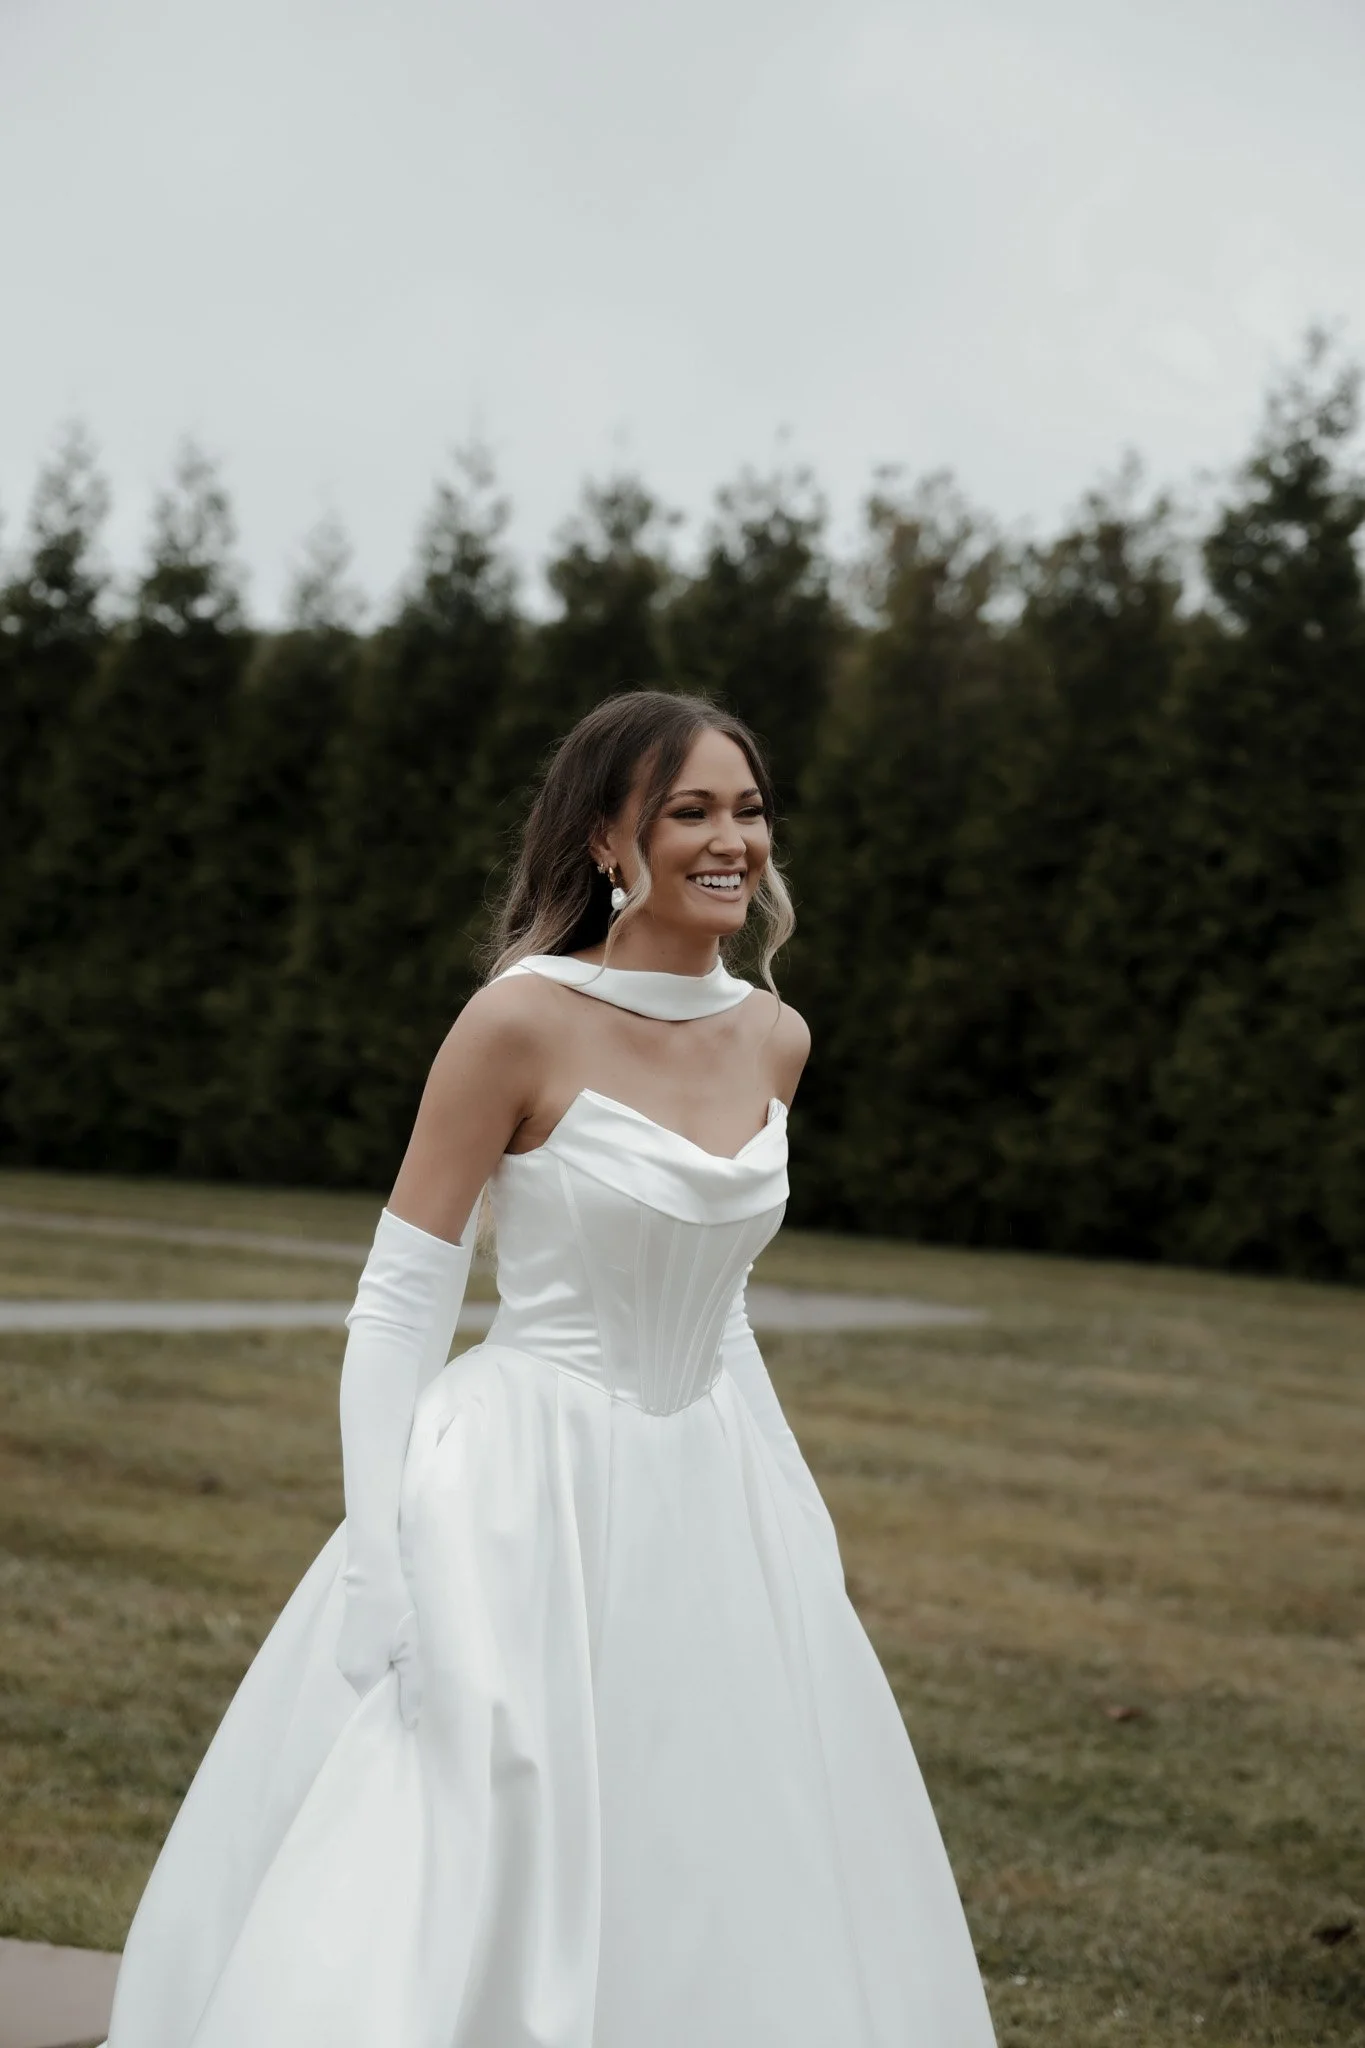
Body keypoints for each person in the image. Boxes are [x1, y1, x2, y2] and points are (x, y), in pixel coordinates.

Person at [102, 690, 997, 2047]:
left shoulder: (777, 1037)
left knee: (714, 1832)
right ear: (605, 839)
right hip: (521, 1490)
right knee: (479, 1824)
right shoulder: (517, 1022)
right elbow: (402, 1302)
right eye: (689, 811)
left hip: (710, 1491)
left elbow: (722, 1308)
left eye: (748, 810)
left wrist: (791, 1506)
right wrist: (376, 1558)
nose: (731, 841)